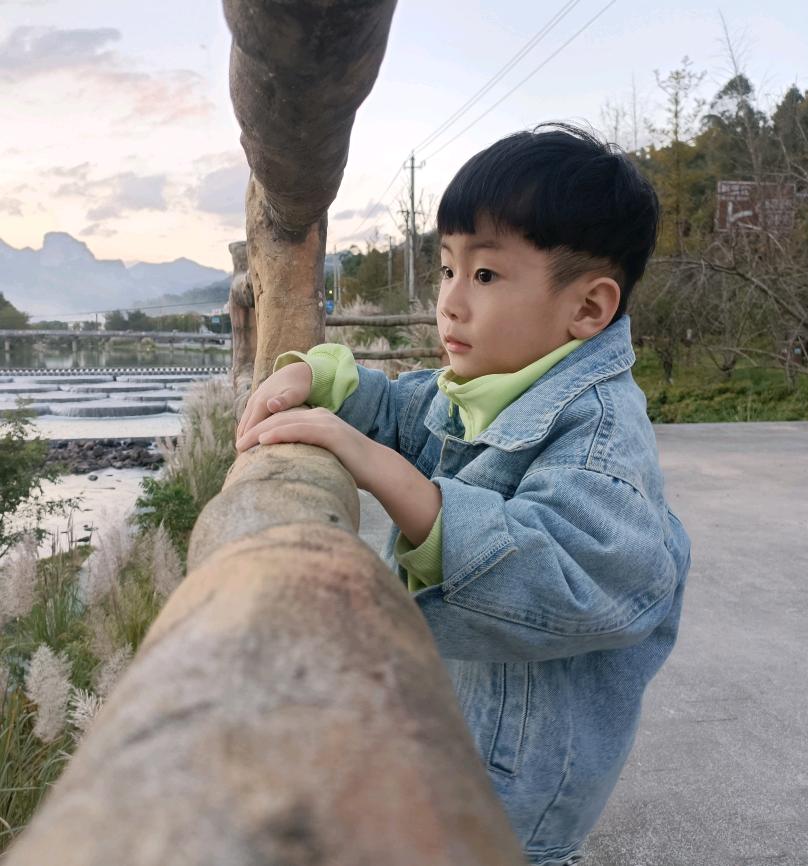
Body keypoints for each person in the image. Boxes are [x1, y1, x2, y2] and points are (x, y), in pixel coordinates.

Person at [236, 123, 691, 866]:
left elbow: (577, 576)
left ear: (587, 309)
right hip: (456, 744)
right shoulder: (499, 385)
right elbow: (399, 409)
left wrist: (383, 471)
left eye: (485, 276)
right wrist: (313, 378)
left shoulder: (602, 440)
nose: (450, 302)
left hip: (513, 795)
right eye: (447, 268)